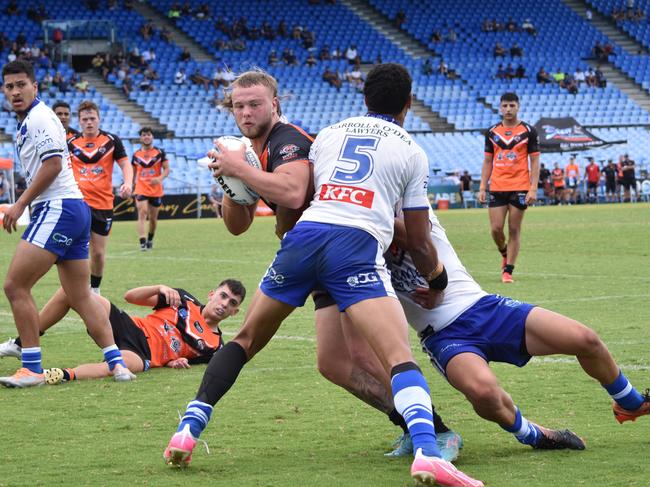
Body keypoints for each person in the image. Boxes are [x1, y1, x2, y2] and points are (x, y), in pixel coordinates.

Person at [163, 65, 482, 487]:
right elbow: (238, 225)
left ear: (275, 104)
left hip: (324, 245)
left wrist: (240, 172)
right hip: (337, 250)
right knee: (378, 356)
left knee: (337, 358)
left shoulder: (290, 141)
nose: (245, 112)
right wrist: (229, 183)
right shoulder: (248, 152)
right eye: (238, 105)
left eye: (254, 103)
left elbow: (295, 194)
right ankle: (428, 445)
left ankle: (430, 435)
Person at [387, 206, 650, 453]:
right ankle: (534, 435)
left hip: (484, 307)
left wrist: (367, 216)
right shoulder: (358, 234)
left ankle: (630, 404)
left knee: (586, 339)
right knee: (484, 393)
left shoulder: (409, 204)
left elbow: (413, 235)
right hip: (443, 335)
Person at [0, 60, 134, 387]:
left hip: (57, 208)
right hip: (75, 209)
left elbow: (53, 165)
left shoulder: (39, 118)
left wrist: (19, 204)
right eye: (9, 87)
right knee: (81, 295)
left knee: (15, 286)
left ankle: (31, 367)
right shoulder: (34, 118)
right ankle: (117, 364)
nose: (15, 92)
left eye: (21, 85)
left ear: (35, 86)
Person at [0, 280, 245, 382]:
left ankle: (53, 375)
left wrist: (176, 361)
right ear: (212, 294)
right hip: (129, 326)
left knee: (120, 366)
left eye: (232, 303)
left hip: (145, 354)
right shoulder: (182, 299)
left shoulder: (215, 346)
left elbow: (190, 361)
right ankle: (23, 343)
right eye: (223, 296)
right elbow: (129, 297)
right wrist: (159, 287)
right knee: (71, 291)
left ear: (235, 312)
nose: (224, 304)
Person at [68, 100, 133, 294]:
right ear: (79, 121)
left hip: (103, 205)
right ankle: (75, 288)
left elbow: (125, 164)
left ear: (99, 119)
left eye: (92, 118)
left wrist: (128, 183)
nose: (89, 122)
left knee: (97, 253)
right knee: (73, 250)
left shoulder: (111, 141)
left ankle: (95, 289)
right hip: (78, 204)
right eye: (85, 119)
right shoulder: (70, 144)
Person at [478, 92, 540, 283]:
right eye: (505, 106)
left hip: (520, 186)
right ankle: (504, 252)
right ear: (500, 107)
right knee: (496, 229)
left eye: (512, 105)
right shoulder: (492, 132)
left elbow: (535, 161)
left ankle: (508, 271)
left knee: (514, 229)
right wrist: (482, 187)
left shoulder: (528, 131)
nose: (508, 109)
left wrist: (533, 188)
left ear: (518, 107)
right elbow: (488, 161)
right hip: (497, 186)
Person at [132, 127, 169, 251]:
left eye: (148, 134)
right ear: (140, 138)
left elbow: (167, 169)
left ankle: (150, 239)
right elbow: (132, 173)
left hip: (155, 189)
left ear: (152, 137)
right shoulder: (136, 155)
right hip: (141, 188)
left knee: (153, 219)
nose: (146, 137)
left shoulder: (160, 153)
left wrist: (159, 178)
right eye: (144, 135)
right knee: (142, 213)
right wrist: (130, 185)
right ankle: (142, 242)